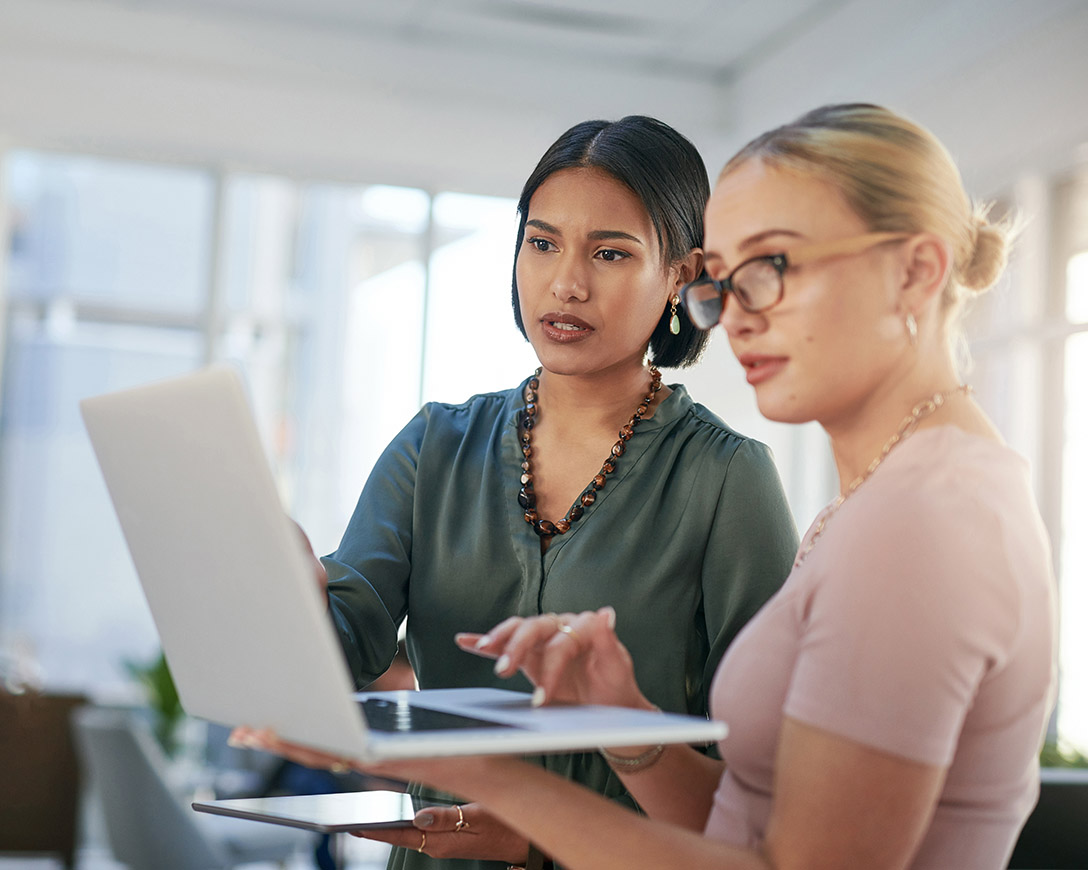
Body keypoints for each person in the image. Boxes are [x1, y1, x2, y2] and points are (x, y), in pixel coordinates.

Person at [244, 103, 1059, 870]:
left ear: (672, 278)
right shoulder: (887, 505)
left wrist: (498, 790)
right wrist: (627, 725)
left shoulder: (909, 517)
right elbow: (750, 811)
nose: (736, 313)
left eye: (770, 267)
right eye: (730, 279)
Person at [290, 115, 799, 870]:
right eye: (542, 241)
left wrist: (542, 843)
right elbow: (345, 643)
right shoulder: (435, 447)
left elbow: (762, 784)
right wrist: (287, 596)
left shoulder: (727, 480)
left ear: (683, 277)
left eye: (611, 252)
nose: (565, 282)